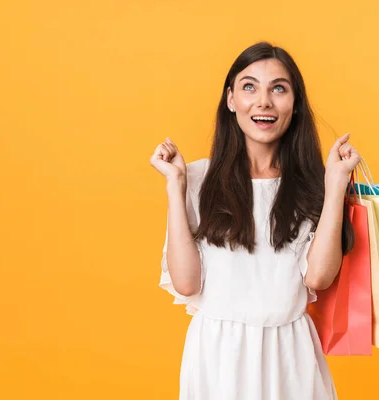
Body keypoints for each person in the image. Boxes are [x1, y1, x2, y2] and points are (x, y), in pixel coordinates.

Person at [149, 41, 361, 400]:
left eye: (279, 88)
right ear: (231, 100)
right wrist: (176, 185)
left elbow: (319, 277)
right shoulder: (197, 178)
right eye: (249, 87)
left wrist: (336, 182)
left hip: (290, 355)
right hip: (217, 357)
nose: (263, 101)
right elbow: (186, 284)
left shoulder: (313, 185)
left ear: (294, 105)